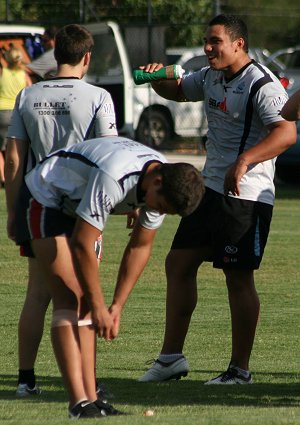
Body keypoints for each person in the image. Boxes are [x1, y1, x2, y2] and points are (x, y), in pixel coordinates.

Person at [137, 14, 297, 384]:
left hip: (247, 196)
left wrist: (244, 160)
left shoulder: (262, 84)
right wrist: (160, 77)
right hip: (208, 190)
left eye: (215, 42)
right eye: (206, 41)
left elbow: (286, 133)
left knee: (237, 279)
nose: (208, 48)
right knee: (178, 263)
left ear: (238, 44)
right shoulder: (210, 76)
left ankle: (239, 371)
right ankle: (170, 359)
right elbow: (178, 91)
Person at [14, 135, 204, 418]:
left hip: (73, 204)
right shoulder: (115, 176)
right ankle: (78, 404)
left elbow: (140, 246)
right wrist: (100, 304)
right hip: (44, 198)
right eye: (161, 207)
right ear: (157, 182)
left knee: (88, 304)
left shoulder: (163, 182)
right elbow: (82, 242)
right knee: (70, 298)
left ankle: (92, 399)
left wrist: (116, 306)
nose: (158, 212)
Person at [4, 23, 118, 398]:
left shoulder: (27, 95)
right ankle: (89, 382)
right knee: (86, 295)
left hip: (37, 205)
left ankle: (25, 379)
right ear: (86, 57)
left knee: (37, 293)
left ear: (56, 55)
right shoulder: (98, 96)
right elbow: (108, 155)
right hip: (84, 208)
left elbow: (14, 159)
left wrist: (13, 211)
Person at [0, 47, 31, 186]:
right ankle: (17, 174)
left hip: (1, 113)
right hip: (17, 113)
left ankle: (3, 178)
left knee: (0, 148)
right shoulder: (24, 75)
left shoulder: (2, 73)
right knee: (16, 146)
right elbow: (30, 91)